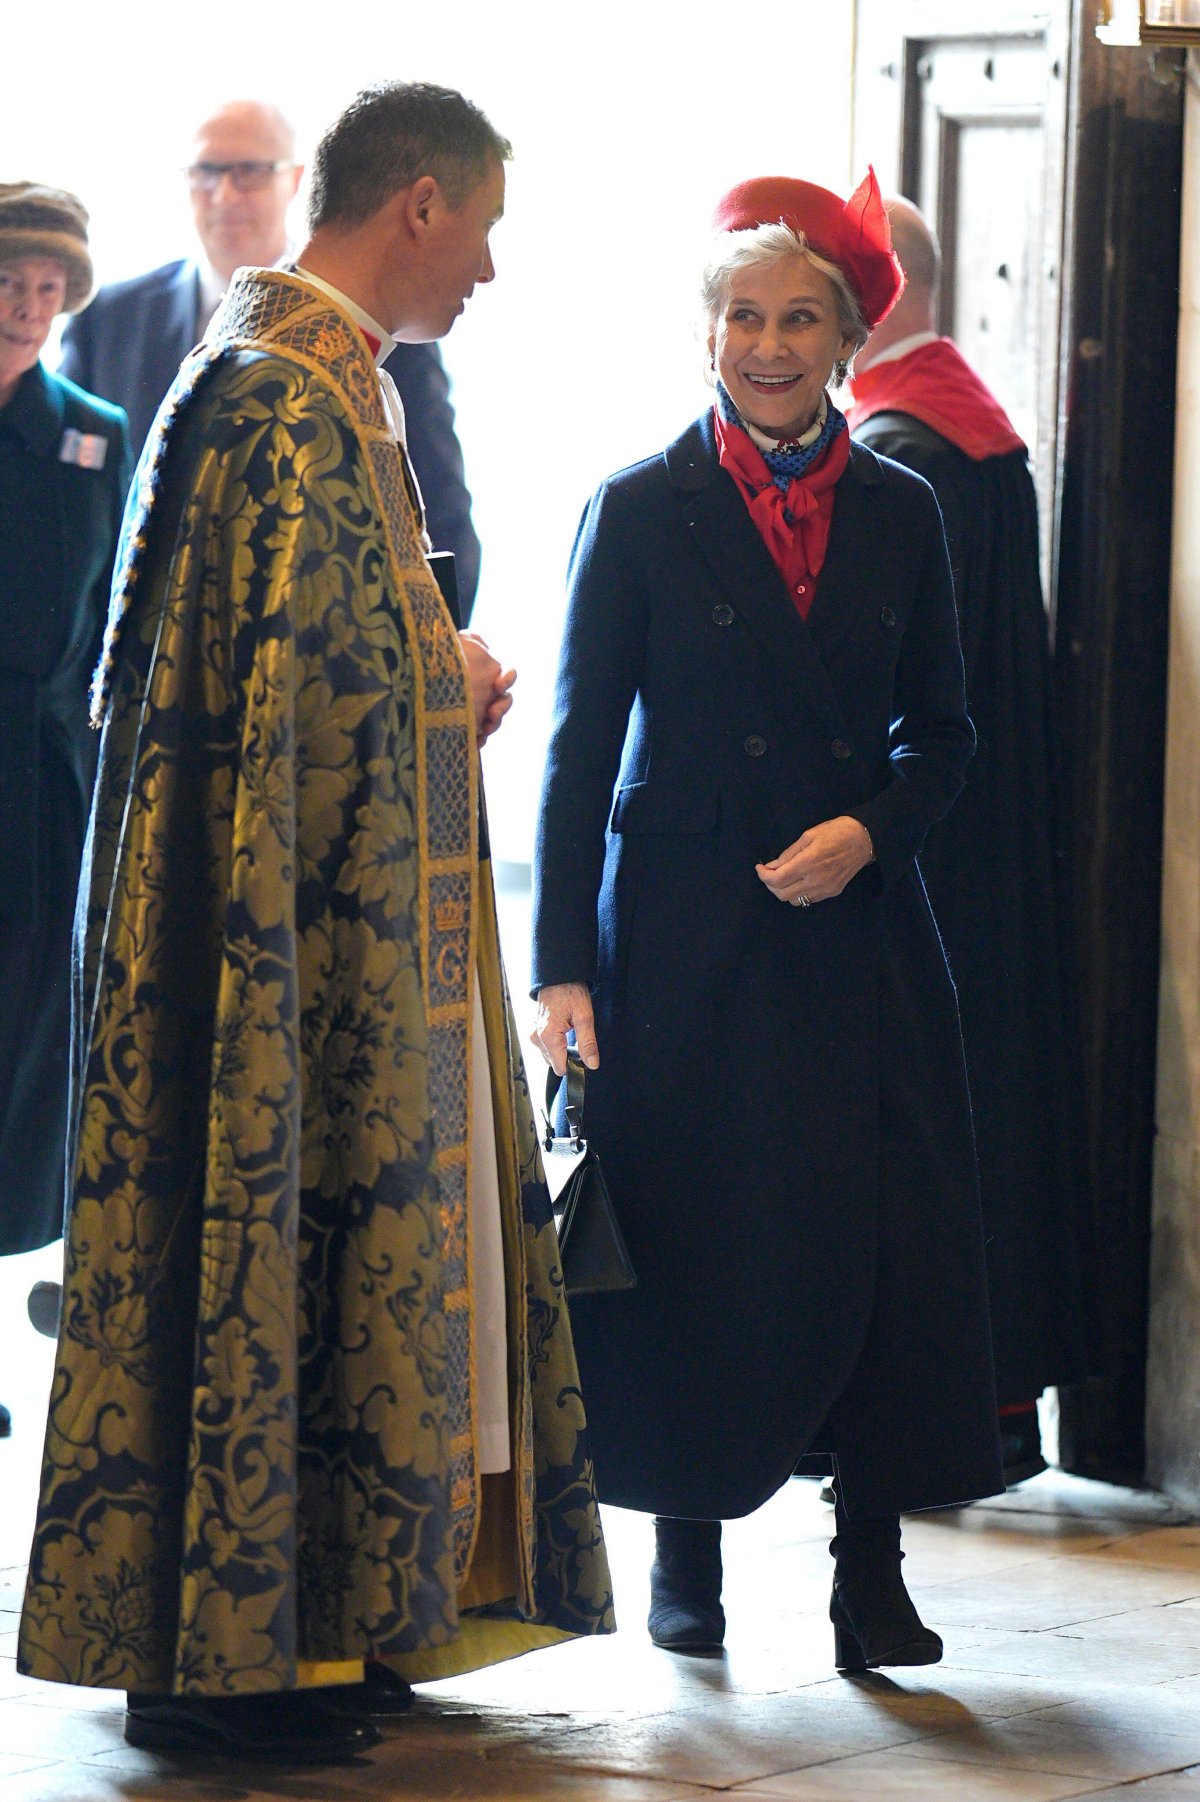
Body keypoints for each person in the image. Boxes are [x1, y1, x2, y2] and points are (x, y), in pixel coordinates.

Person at [18, 81, 612, 1764]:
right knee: (269, 1236)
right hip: (273, 950)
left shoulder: (318, 380)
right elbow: (295, 688)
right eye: (484, 227)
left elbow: (317, 659)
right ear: (418, 203)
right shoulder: (277, 398)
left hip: (336, 933)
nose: (490, 267)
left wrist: (438, 666)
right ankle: (233, 1654)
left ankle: (337, 1621)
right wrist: (461, 671)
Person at [531, 172, 1003, 1670]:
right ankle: (688, 1558)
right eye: (744, 315)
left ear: (848, 338)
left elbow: (946, 734)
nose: (770, 343)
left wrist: (870, 830)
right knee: (687, 1245)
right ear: (706, 333)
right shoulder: (637, 503)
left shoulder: (905, 507)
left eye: (801, 318)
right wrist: (562, 972)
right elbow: (573, 745)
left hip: (854, 937)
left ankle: (873, 1573)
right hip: (679, 938)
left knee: (881, 1245)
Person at [847, 198, 1089, 1485]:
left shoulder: (902, 448)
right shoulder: (970, 423)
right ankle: (988, 1410)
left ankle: (947, 1421)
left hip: (914, 826)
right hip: (982, 824)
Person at [59, 98, 483, 616]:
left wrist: (443, 658)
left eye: (251, 172)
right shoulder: (107, 316)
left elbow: (440, 511)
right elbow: (71, 514)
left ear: (296, 181)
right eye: (207, 172)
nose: (225, 193)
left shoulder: (388, 327)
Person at [0, 185, 131, 1436]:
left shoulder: (93, 430)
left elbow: (111, 628)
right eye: (7, 281)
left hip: (38, 797)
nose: (30, 306)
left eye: (50, 287)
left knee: (21, 1064)